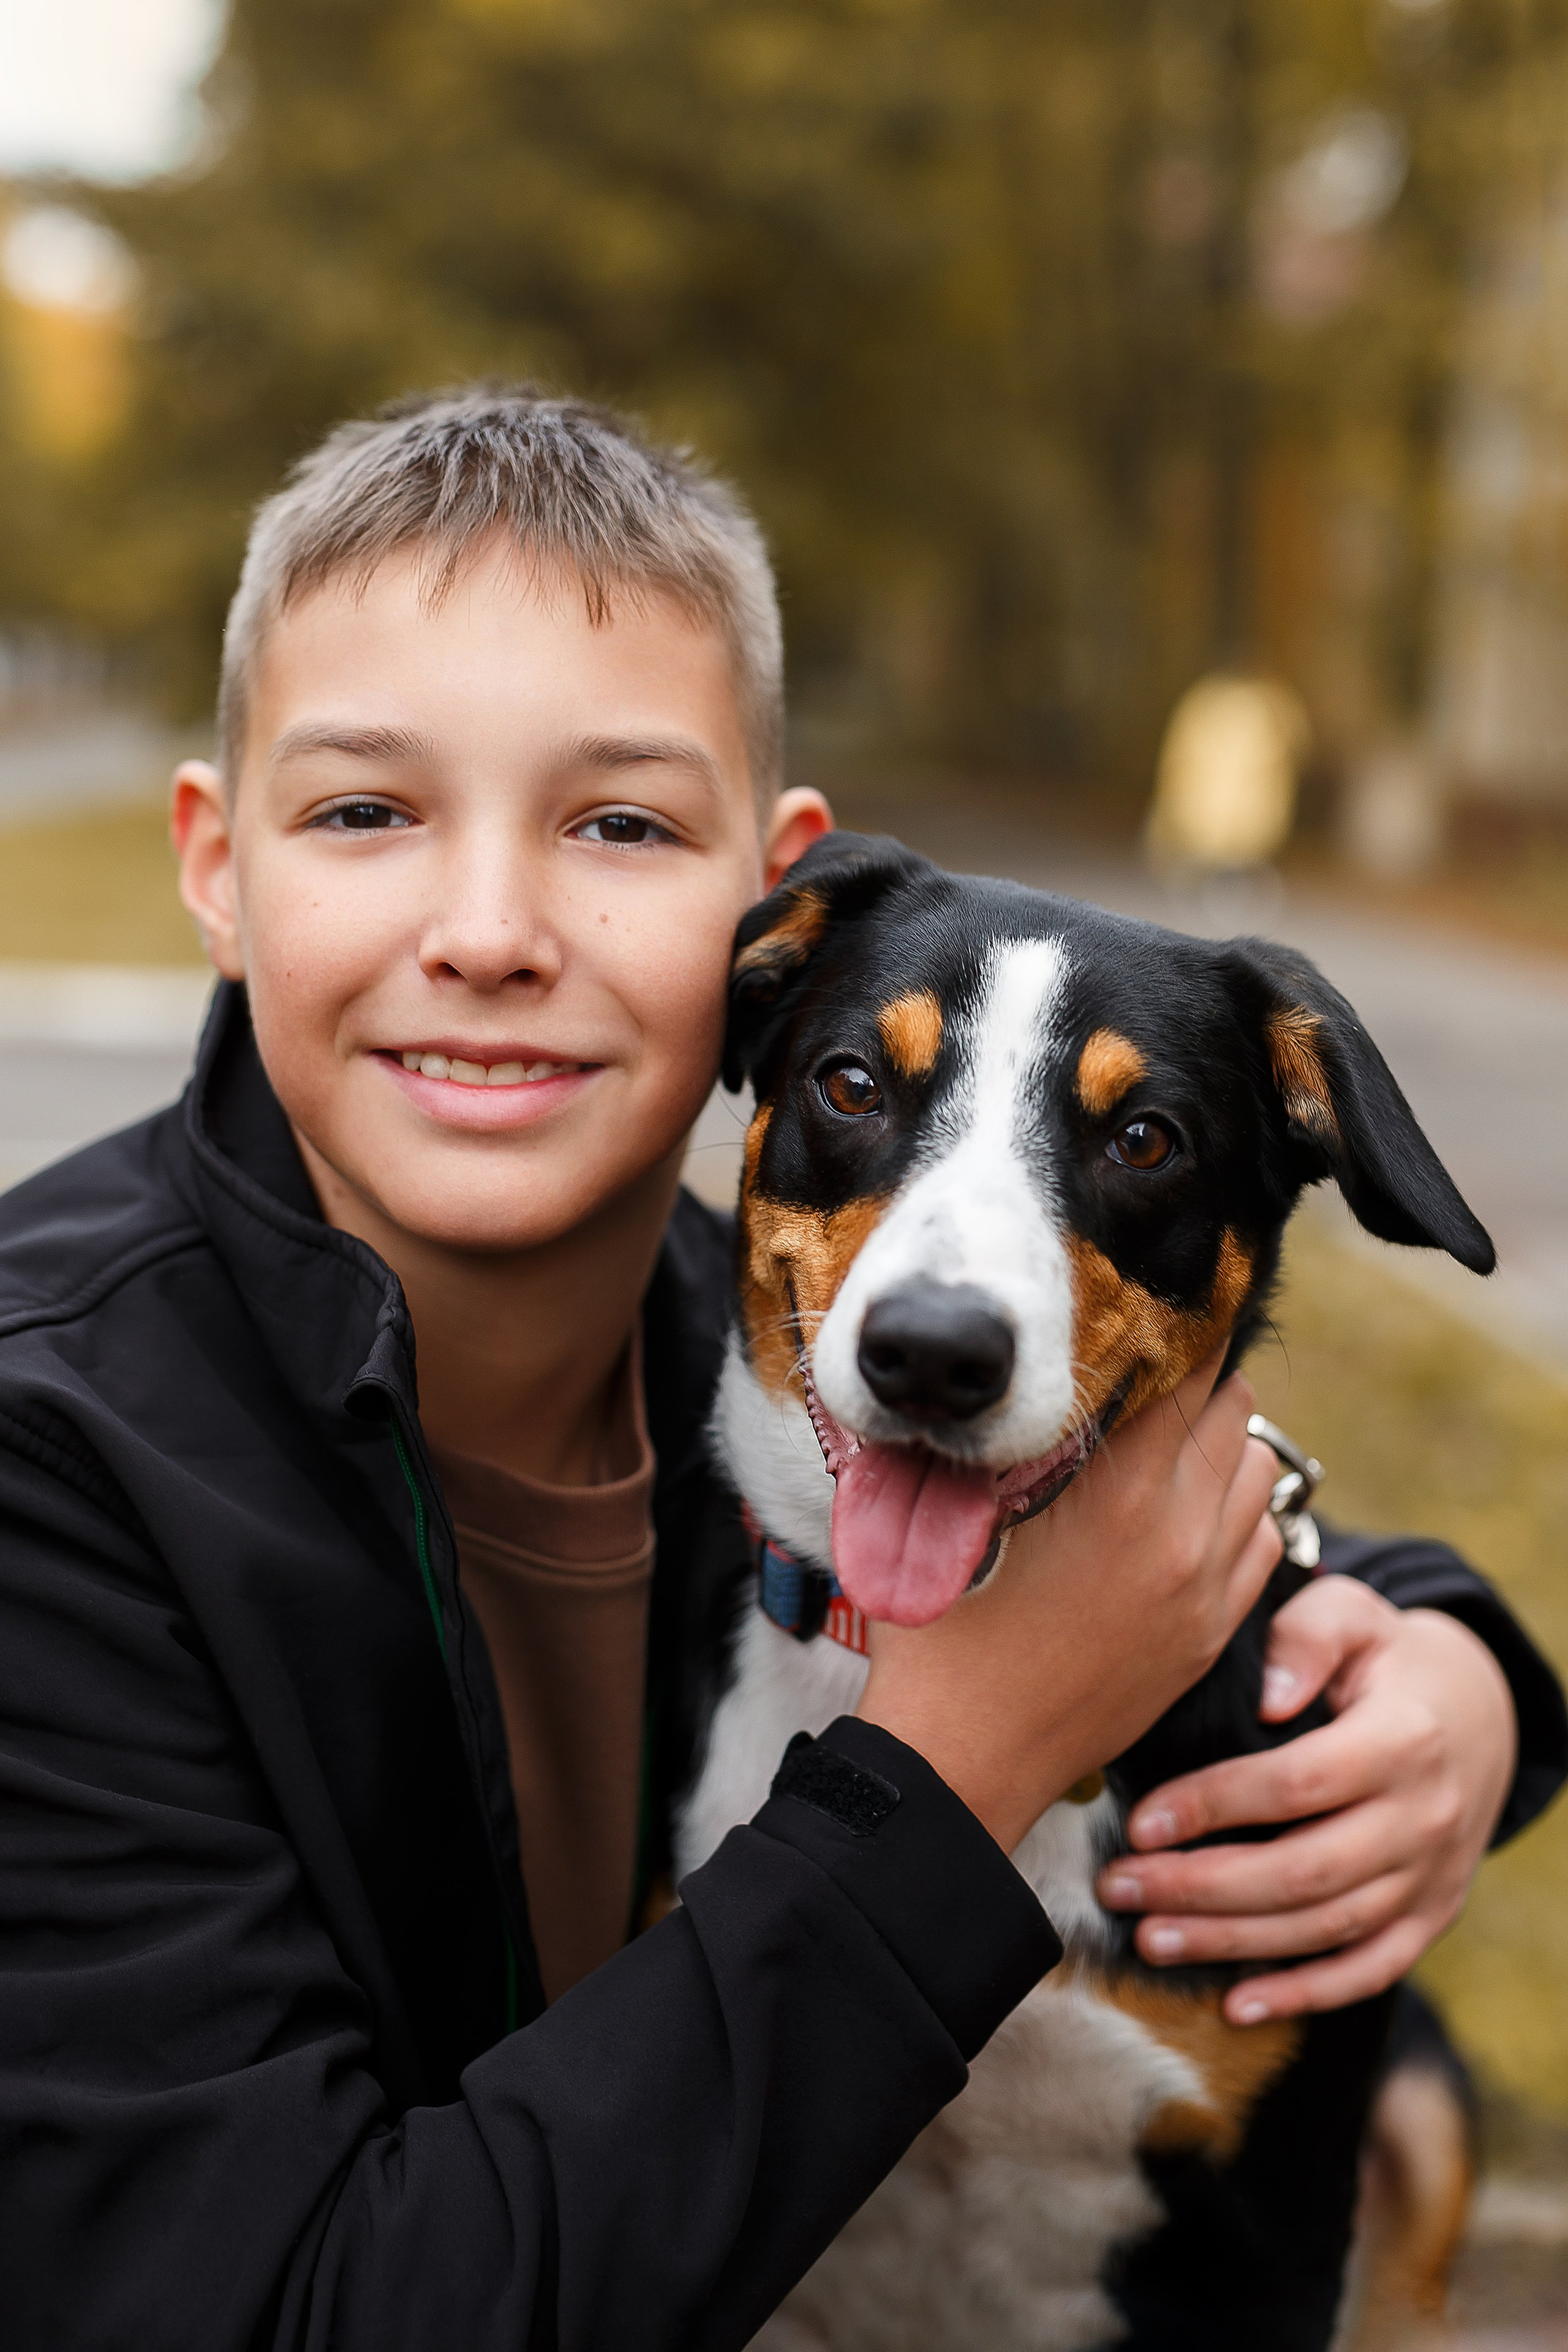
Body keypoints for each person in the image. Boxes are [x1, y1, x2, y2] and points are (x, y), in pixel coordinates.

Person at [0, 388, 1558, 2350]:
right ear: (219, 865)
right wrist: (956, 1762)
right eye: (366, 809)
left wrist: (1464, 1668)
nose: (490, 931)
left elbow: (1155, 1475)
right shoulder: (52, 1471)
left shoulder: (716, 1323)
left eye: (623, 823)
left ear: (762, 903)